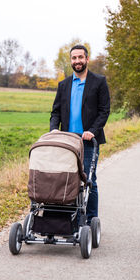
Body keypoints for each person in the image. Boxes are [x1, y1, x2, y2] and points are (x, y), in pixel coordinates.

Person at [50, 44, 110, 225]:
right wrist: (54, 129)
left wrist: (92, 131)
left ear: (87, 59)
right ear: (71, 61)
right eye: (74, 58)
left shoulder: (99, 82)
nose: (77, 61)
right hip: (67, 141)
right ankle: (69, 218)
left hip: (89, 141)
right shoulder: (64, 85)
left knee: (89, 180)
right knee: (67, 178)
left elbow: (104, 111)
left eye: (80, 57)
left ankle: (90, 221)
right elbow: (56, 112)